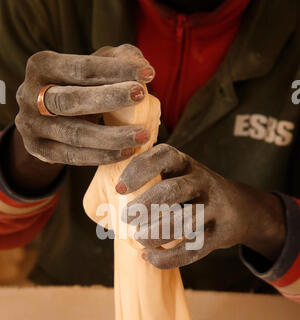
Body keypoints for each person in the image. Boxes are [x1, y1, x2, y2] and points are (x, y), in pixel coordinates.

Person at [0, 0, 299, 300]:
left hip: (255, 311)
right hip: (74, 301)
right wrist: (31, 150)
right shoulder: (40, 9)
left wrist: (263, 219)